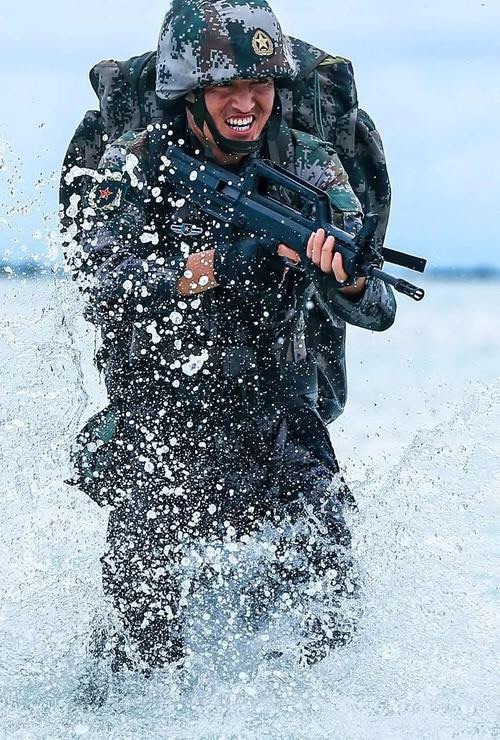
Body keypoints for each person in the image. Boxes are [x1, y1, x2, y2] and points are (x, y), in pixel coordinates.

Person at [69, 0, 396, 688]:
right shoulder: (137, 162)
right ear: (189, 92)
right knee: (138, 639)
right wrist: (218, 267)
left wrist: (342, 278)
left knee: (329, 588)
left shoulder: (308, 164)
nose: (247, 103)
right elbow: (103, 285)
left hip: (275, 411)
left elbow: (378, 306)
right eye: (226, 88)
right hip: (163, 419)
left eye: (260, 84)